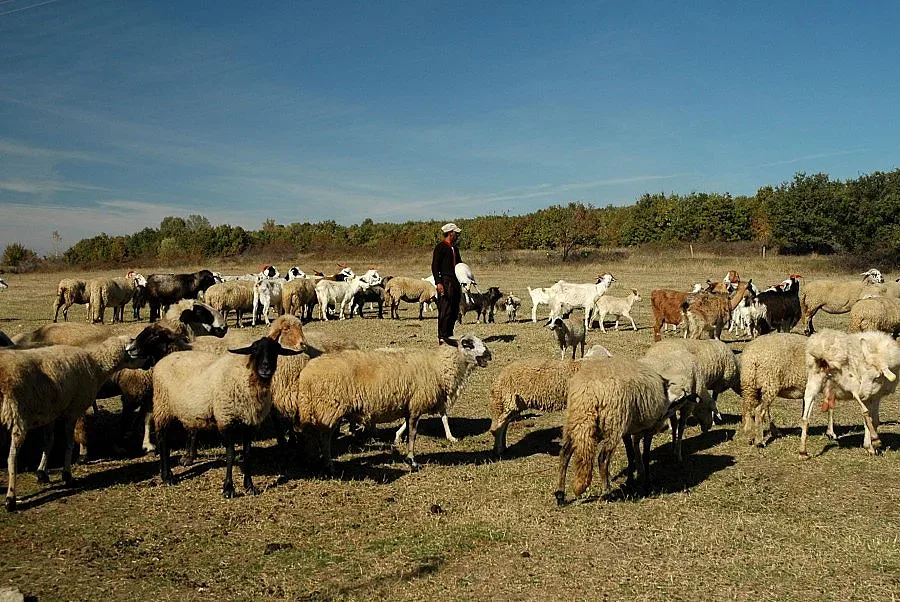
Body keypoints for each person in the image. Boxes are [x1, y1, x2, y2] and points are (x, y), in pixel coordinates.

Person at [431, 222, 462, 346]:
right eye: (456, 233)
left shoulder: (455, 248)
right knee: (445, 309)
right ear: (450, 233)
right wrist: (439, 283)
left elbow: (459, 265)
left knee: (454, 309)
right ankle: (442, 336)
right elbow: (435, 266)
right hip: (445, 281)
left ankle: (449, 334)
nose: (457, 235)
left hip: (455, 282)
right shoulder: (440, 247)